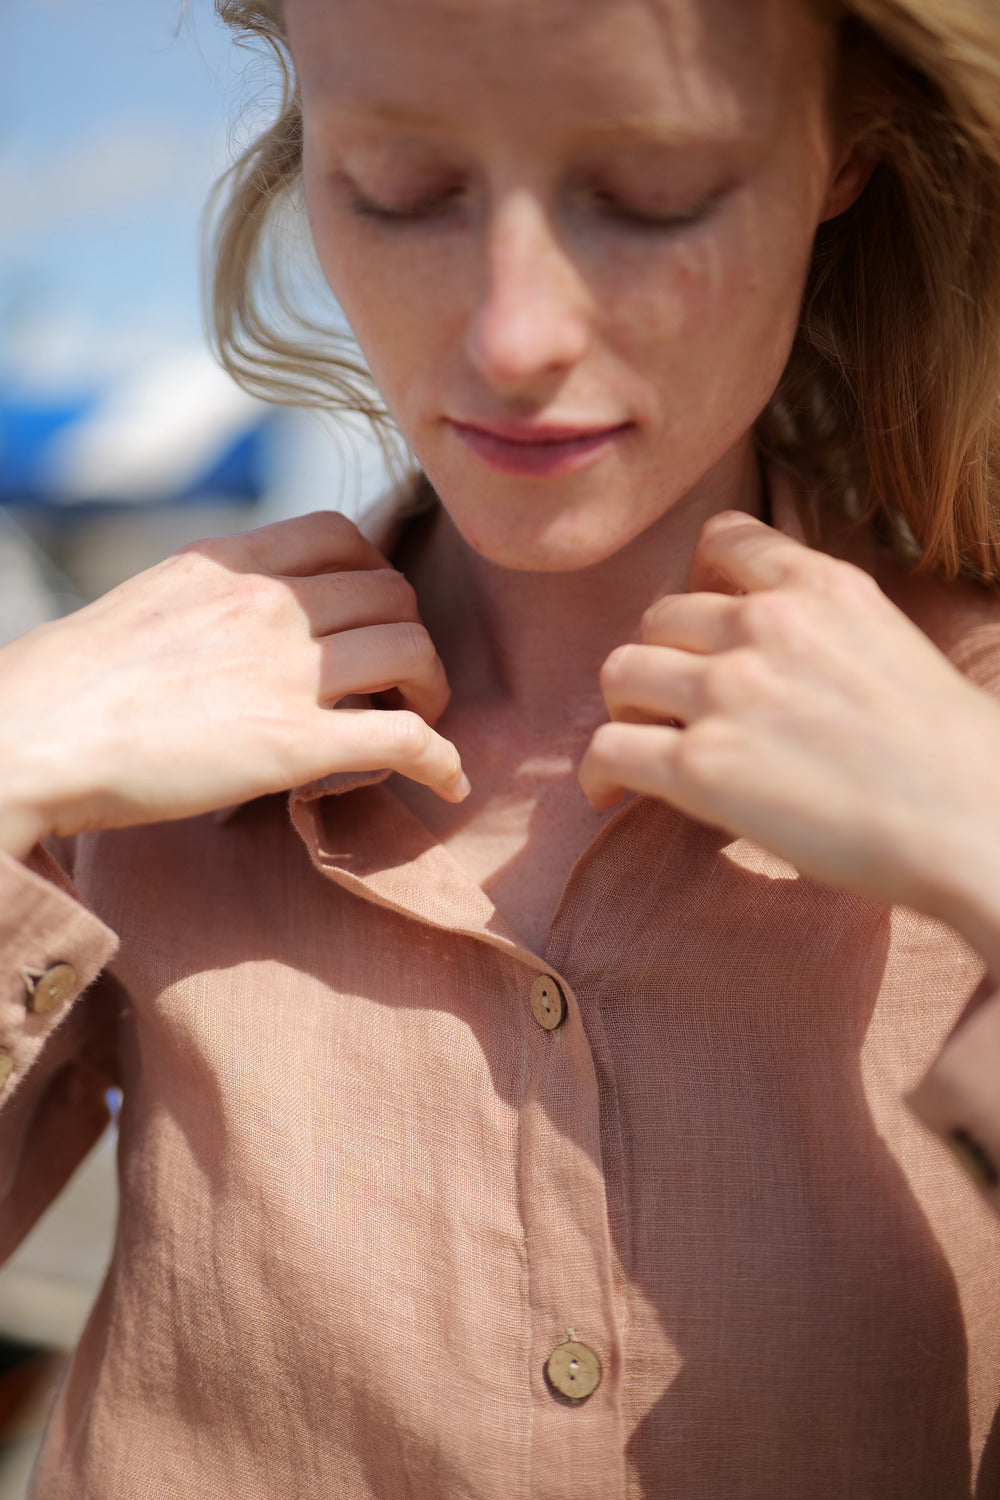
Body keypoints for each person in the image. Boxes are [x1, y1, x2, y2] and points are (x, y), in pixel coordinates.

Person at [3, 0, 1000, 1493]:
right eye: (402, 187)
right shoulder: (133, 735)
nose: (513, 337)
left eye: (651, 195)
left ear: (846, 151)